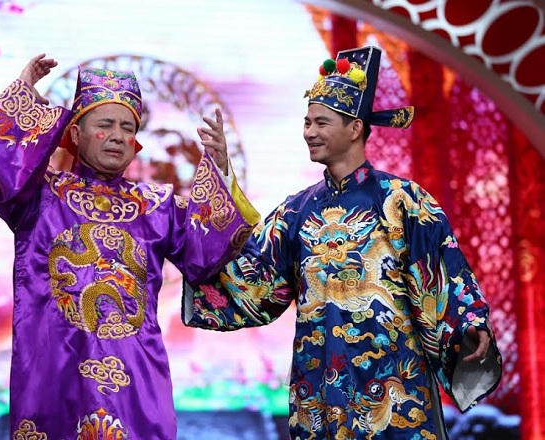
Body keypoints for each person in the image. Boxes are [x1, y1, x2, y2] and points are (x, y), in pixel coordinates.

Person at [182, 46, 502, 439]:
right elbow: (253, 279)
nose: (309, 132)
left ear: (355, 128)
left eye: (321, 122)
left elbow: (443, 273)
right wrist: (220, 178)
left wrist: (468, 322)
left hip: (394, 387)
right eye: (306, 122)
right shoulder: (295, 212)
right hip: (320, 388)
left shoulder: (402, 201)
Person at [0, 54, 259, 439]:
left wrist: (219, 167)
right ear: (75, 134)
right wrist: (23, 98)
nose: (117, 135)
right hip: (55, 380)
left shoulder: (157, 206)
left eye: (127, 127)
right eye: (104, 124)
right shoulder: (41, 197)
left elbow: (208, 249)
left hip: (135, 382)